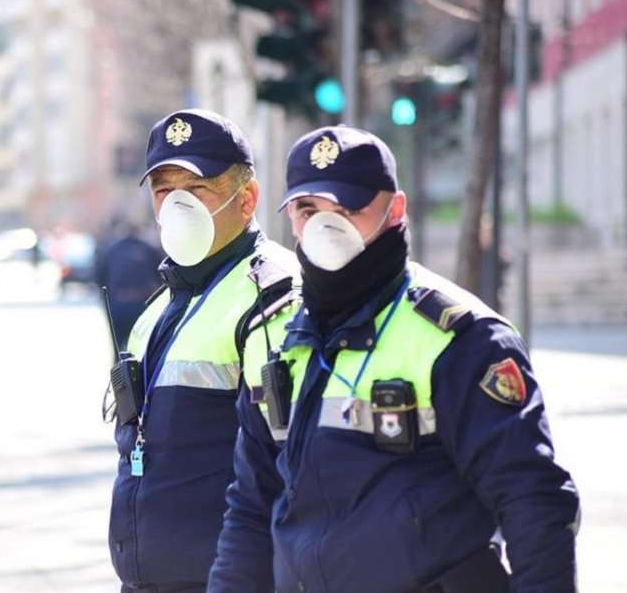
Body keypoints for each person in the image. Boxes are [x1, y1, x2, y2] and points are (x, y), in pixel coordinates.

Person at [208, 125, 580, 593]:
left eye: (346, 208)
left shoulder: (460, 338)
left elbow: (533, 500)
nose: (326, 227)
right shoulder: (281, 339)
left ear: (394, 209)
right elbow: (250, 507)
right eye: (308, 210)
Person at [108, 108, 299, 593]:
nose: (176, 205)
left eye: (195, 190)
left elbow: (286, 464)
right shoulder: (162, 305)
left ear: (246, 198)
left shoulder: (272, 296)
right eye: (163, 191)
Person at [95, 221, 163, 349]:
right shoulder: (148, 248)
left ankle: (119, 366)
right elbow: (162, 277)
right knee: (144, 349)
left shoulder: (112, 249)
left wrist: (108, 303)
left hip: (119, 304)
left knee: (118, 349)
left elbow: (100, 279)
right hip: (143, 305)